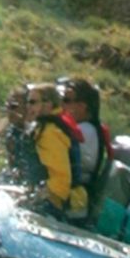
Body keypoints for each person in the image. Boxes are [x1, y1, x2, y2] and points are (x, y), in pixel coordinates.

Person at [24, 82, 90, 223]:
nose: (28, 106)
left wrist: (32, 200)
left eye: (33, 102)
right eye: (27, 102)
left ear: (48, 105)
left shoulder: (51, 133)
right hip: (55, 198)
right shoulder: (48, 126)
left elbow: (60, 182)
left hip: (60, 206)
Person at [56, 76, 113, 213]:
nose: (61, 105)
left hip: (75, 201)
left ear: (82, 107)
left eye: (66, 101)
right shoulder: (89, 129)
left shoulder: (85, 132)